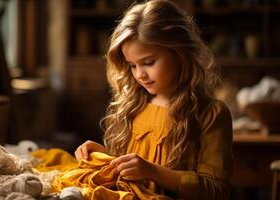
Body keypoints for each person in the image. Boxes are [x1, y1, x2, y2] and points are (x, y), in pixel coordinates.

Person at [74, 0, 233, 199]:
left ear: (180, 53)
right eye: (132, 66)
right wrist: (106, 158)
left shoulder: (211, 113)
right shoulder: (134, 105)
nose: (140, 74)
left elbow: (217, 191)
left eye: (148, 62)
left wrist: (155, 172)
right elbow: (136, 171)